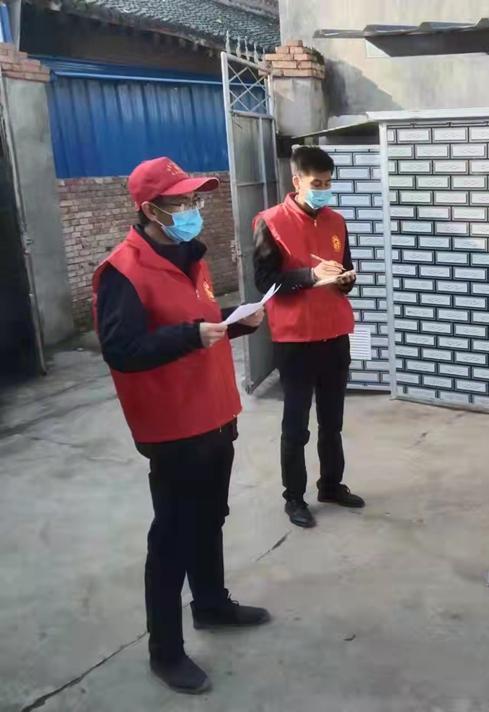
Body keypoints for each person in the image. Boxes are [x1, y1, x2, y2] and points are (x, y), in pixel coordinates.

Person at [93, 157, 271, 695]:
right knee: (171, 537)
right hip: (172, 427)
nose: (194, 209)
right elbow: (122, 350)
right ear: (151, 210)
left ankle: (211, 604)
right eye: (182, 202)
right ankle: (165, 651)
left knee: (210, 517)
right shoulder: (122, 271)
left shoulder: (192, 256)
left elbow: (200, 325)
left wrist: (237, 322)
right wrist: (191, 335)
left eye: (196, 199)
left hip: (215, 413)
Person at [253, 145, 363, 529]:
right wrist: (310, 276)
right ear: (296, 181)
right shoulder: (270, 222)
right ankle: (294, 498)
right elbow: (265, 282)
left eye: (329, 183)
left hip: (334, 333)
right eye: (317, 184)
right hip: (295, 339)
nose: (324, 190)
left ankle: (331, 485)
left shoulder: (336, 221)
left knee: (332, 422)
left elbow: (345, 269)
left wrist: (345, 280)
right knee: (296, 426)